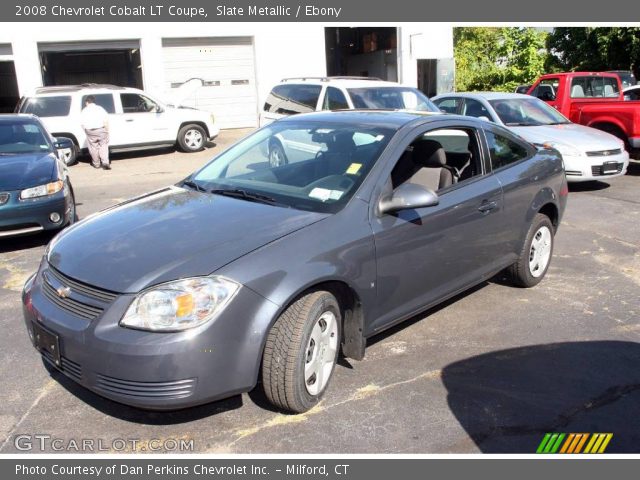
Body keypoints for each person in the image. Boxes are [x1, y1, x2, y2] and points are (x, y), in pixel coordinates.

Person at [81, 96, 111, 170]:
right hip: (101, 129)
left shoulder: (84, 110)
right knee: (103, 146)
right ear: (94, 102)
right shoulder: (100, 108)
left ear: (87, 102)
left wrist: (86, 131)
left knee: (93, 147)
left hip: (90, 131)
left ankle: (96, 164)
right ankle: (105, 162)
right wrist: (107, 130)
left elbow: (82, 123)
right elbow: (106, 120)